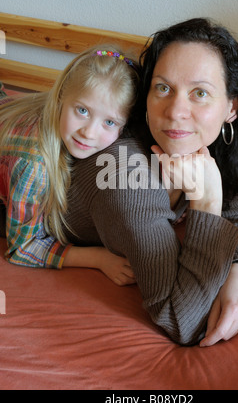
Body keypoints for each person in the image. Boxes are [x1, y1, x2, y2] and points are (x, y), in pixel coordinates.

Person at [63, 18, 238, 347]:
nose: (176, 111)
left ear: (230, 108)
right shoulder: (124, 174)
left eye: (200, 93)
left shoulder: (201, 147)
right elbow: (182, 320)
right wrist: (205, 202)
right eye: (163, 87)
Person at [0, 45, 139, 285]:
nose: (89, 132)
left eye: (109, 122)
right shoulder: (34, 165)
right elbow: (21, 248)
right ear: (62, 96)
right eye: (82, 110)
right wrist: (98, 258)